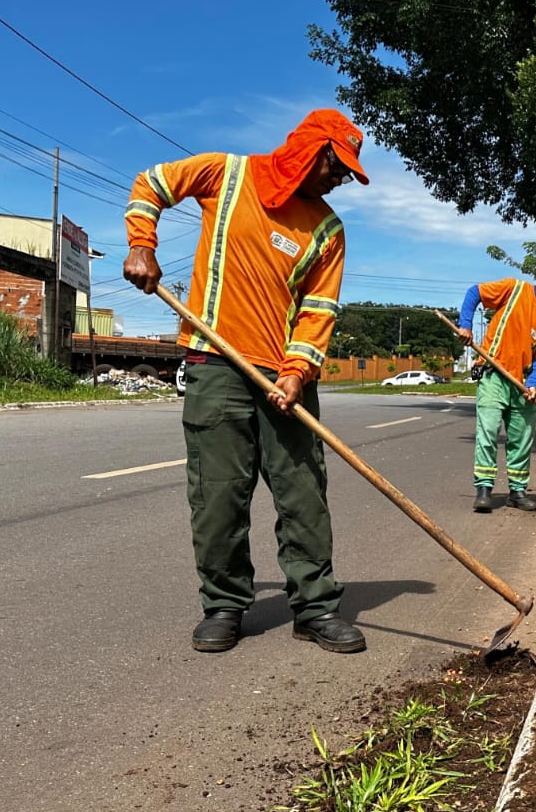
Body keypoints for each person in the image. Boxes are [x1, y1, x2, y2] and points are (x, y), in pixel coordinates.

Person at [121, 109, 370, 655]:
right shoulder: (226, 174)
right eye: (338, 165)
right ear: (310, 148)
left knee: (304, 493)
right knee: (218, 495)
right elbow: (152, 184)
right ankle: (225, 605)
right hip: (215, 362)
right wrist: (143, 243)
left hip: (284, 377)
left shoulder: (328, 229)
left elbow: (318, 311)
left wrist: (296, 372)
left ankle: (316, 607)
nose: (341, 178)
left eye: (349, 172)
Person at [456, 265, 536, 513]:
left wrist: (532, 384)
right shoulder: (514, 289)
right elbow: (474, 293)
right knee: (488, 433)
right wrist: (466, 325)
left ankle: (517, 492)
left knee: (521, 438)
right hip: (493, 375)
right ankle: (483, 489)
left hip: (521, 384)